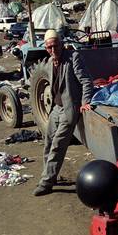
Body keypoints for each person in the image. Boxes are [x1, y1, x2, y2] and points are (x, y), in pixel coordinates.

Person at [34, 29, 94, 196]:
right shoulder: (49, 62)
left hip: (69, 109)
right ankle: (51, 175)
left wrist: (85, 102)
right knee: (48, 141)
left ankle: (46, 183)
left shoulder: (73, 58)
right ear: (45, 48)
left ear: (61, 44)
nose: (53, 50)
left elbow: (86, 81)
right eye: (49, 47)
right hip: (56, 108)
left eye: (55, 46)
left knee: (58, 145)